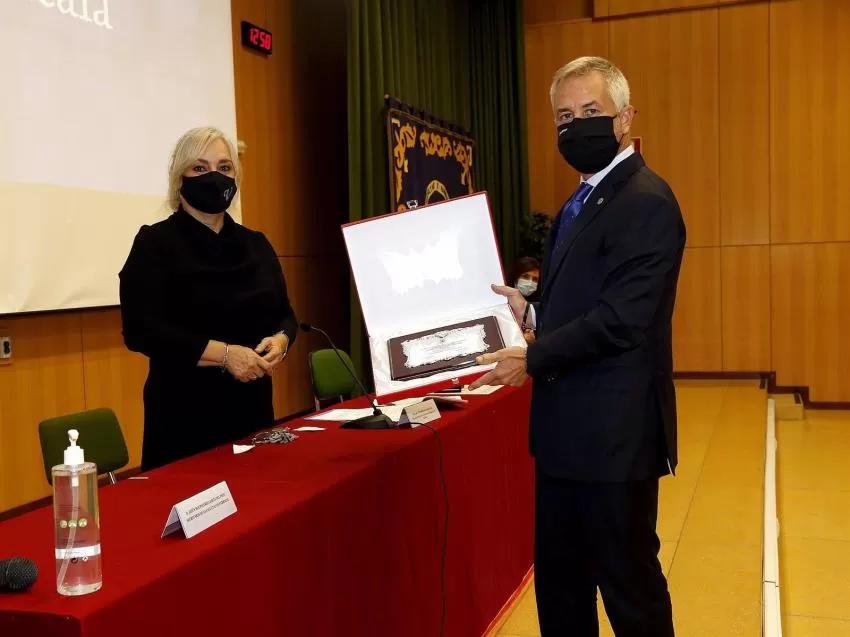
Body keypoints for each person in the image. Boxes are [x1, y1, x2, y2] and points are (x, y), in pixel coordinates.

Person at [471, 57, 685, 636]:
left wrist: (532, 357)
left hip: (614, 437)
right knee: (562, 586)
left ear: (626, 118)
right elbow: (586, 299)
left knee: (628, 588)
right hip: (565, 435)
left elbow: (623, 319)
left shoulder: (645, 200)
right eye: (564, 117)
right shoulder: (581, 199)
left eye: (591, 111)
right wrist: (533, 312)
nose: (576, 126)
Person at [120, 127, 298, 471]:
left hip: (252, 411)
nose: (214, 176)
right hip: (184, 416)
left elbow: (285, 314)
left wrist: (281, 340)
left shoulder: (256, 244)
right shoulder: (154, 244)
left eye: (224, 167)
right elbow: (141, 331)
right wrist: (226, 355)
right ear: (179, 178)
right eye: (200, 168)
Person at [512, 257, 541, 343]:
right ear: (515, 277)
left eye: (535, 279)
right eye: (525, 277)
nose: (530, 282)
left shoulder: (540, 307)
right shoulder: (502, 302)